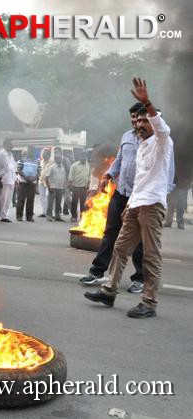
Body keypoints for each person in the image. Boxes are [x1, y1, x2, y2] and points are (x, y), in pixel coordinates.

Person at [85, 78, 174, 318]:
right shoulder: (141, 145)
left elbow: (160, 126)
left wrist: (147, 102)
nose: (141, 124)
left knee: (150, 255)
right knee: (120, 248)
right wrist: (130, 204)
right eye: (139, 120)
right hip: (135, 203)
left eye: (146, 120)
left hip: (152, 206)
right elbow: (138, 179)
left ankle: (149, 302)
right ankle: (108, 290)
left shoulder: (162, 141)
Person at [79, 103, 148, 293]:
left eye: (138, 117)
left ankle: (140, 278)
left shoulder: (152, 139)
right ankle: (97, 271)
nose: (135, 121)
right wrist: (108, 175)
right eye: (133, 117)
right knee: (110, 232)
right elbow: (119, 161)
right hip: (121, 192)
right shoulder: (126, 136)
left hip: (141, 196)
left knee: (139, 239)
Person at [15, 147, 40, 222]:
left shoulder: (37, 161)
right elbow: (19, 170)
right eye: (30, 151)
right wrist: (26, 177)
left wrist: (33, 178)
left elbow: (39, 172)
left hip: (32, 183)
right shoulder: (22, 160)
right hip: (23, 182)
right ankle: (19, 216)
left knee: (30, 200)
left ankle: (29, 217)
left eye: (32, 151)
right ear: (28, 151)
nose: (31, 152)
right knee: (21, 200)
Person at [68, 150, 90, 223]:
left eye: (85, 156)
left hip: (84, 188)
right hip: (76, 187)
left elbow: (89, 176)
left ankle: (82, 217)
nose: (83, 158)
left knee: (83, 204)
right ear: (80, 157)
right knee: (74, 202)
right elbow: (70, 177)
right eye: (82, 156)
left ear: (86, 157)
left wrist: (88, 185)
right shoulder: (74, 165)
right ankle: (74, 216)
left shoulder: (88, 165)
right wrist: (71, 187)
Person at [0, 140, 17, 222]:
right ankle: (1, 215)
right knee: (3, 199)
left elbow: (13, 167)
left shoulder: (11, 154)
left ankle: (5, 215)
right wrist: (0, 178)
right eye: (10, 144)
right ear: (5, 145)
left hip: (11, 180)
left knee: (8, 200)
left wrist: (15, 178)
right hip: (4, 180)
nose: (12, 146)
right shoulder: (1, 154)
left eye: (12, 144)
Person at [44, 148, 66, 222]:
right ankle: (49, 216)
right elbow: (46, 178)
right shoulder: (52, 167)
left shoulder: (63, 167)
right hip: (53, 187)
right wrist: (49, 187)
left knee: (58, 203)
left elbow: (63, 178)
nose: (59, 159)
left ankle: (57, 216)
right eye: (57, 158)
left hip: (60, 187)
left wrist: (63, 188)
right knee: (50, 203)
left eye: (60, 158)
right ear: (55, 159)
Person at [38, 148, 52, 218]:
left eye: (46, 153)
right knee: (41, 197)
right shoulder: (41, 162)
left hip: (49, 182)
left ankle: (49, 212)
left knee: (47, 196)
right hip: (41, 181)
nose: (44, 155)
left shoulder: (52, 162)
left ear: (49, 155)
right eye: (43, 153)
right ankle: (44, 212)